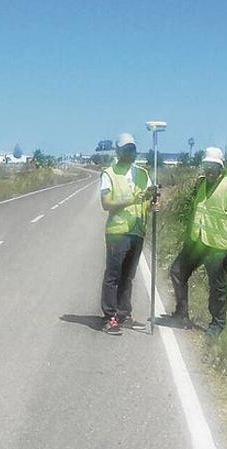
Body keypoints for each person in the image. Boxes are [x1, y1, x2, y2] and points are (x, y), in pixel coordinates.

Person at [166, 147, 227, 337]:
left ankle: (217, 325)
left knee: (217, 286)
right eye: (207, 165)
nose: (209, 170)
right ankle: (182, 314)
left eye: (214, 166)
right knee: (177, 271)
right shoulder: (201, 183)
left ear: (221, 168)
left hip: (218, 246)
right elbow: (198, 210)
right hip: (197, 241)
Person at [100, 133, 158, 335]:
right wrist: (132, 200)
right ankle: (110, 317)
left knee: (128, 276)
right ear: (118, 152)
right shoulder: (109, 174)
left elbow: (147, 201)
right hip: (118, 231)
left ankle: (123, 314)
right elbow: (106, 204)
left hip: (137, 230)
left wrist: (152, 200)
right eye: (126, 149)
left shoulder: (142, 173)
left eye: (132, 149)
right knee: (113, 276)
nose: (130, 153)